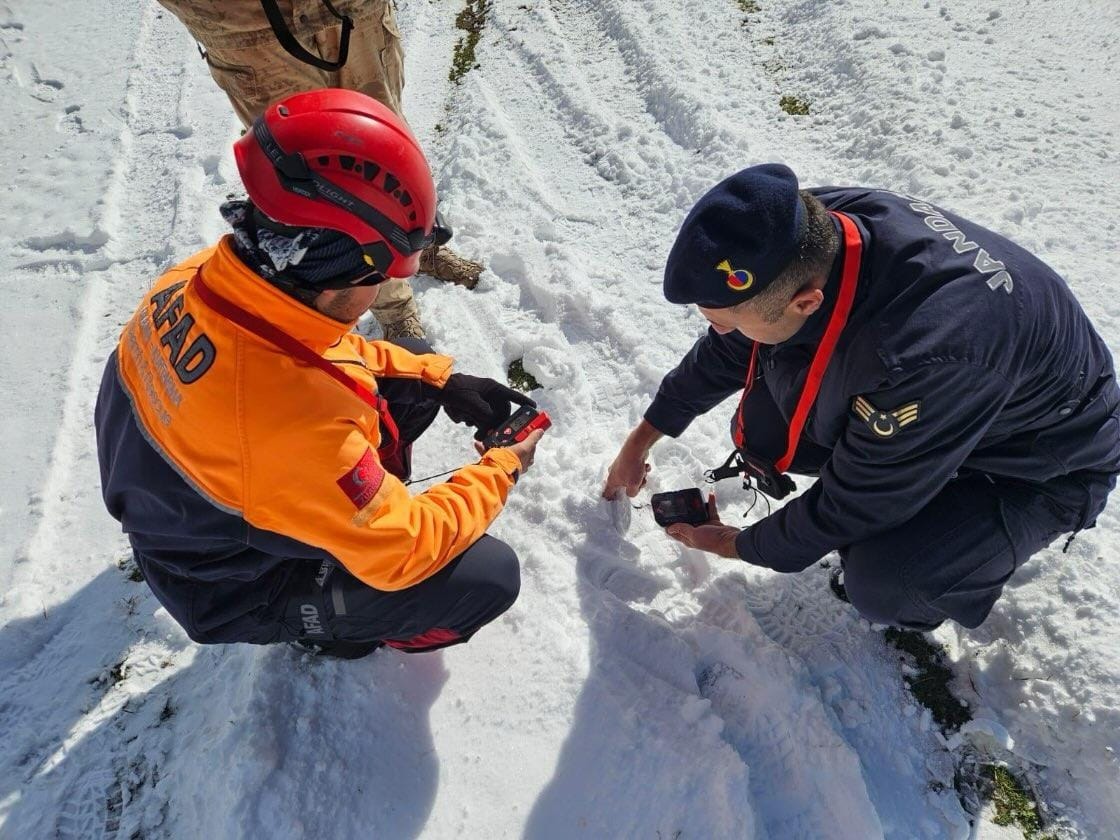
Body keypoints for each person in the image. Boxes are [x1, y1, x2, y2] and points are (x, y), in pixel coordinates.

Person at [95, 90, 545, 659]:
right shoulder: (289, 421)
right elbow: (406, 549)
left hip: (202, 502)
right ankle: (336, 632)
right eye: (380, 277)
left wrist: (439, 378)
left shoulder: (207, 275)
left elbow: (324, 349)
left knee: (411, 363)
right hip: (230, 585)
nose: (383, 289)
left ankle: (347, 520)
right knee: (486, 578)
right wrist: (503, 465)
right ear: (335, 281)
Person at [603, 164, 1120, 631]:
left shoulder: (924, 356)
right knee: (777, 414)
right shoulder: (805, 232)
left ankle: (958, 559)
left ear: (807, 301)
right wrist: (643, 437)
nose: (716, 330)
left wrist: (740, 544)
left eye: (725, 320)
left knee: (885, 581)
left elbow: (853, 504)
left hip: (1041, 463)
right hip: (969, 397)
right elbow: (729, 350)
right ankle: (921, 480)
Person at [156, 0, 485, 340]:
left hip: (353, 7)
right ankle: (394, 308)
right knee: (317, 180)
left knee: (388, 143)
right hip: (248, 25)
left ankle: (418, 245)